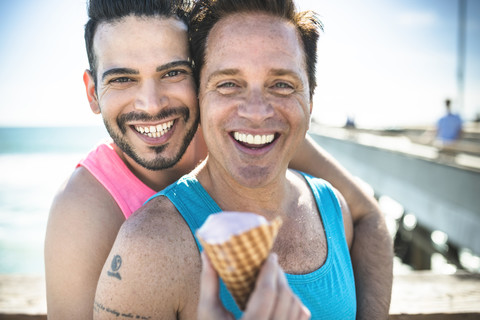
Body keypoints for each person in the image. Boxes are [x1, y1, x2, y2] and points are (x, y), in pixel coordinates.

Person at [92, 0, 392, 319]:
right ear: (199, 97)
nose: (257, 111)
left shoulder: (334, 208)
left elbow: (371, 218)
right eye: (228, 84)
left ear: (311, 98)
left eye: (281, 85)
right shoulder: (150, 247)